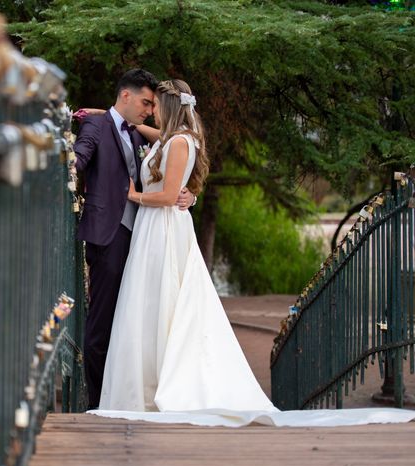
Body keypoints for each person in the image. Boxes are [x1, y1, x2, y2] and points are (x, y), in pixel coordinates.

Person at [90, 79, 415, 428]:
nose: (151, 111)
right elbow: (149, 137)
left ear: (168, 108)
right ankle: (145, 383)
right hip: (152, 231)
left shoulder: (181, 142)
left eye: (156, 106)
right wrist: (108, 117)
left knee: (164, 304)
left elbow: (169, 196)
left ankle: (162, 383)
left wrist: (134, 195)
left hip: (162, 230)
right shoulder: (171, 138)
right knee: (151, 306)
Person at [74, 69, 196, 409]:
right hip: (109, 237)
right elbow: (81, 156)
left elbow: (175, 163)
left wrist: (189, 195)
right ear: (125, 96)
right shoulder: (95, 128)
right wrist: (71, 162)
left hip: (145, 240)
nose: (149, 109)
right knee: (103, 323)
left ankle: (130, 393)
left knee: (137, 319)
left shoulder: (145, 136)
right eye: (145, 102)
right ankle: (99, 403)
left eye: (154, 104)